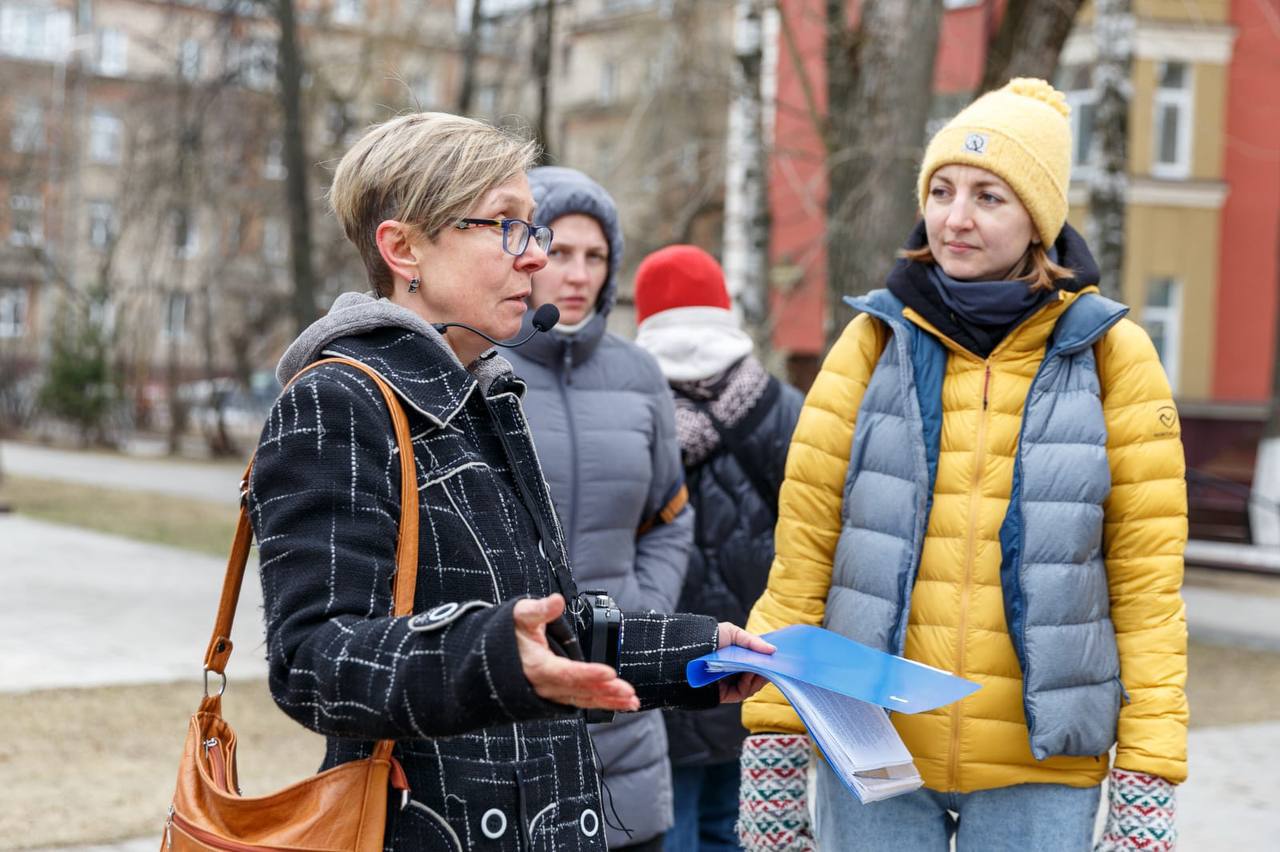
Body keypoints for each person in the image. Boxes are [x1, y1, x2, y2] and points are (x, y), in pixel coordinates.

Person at [247, 112, 772, 852]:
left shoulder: (487, 394)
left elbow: (548, 630)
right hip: (438, 829)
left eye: (533, 228)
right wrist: (494, 654)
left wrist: (693, 653)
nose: (537, 256)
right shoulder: (339, 400)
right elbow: (313, 662)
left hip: (550, 820)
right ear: (403, 249)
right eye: (507, 225)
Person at [736, 79, 1188, 852]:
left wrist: (1148, 775)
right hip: (874, 752)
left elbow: (1146, 588)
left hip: (1041, 768)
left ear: (1039, 220)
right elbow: (805, 556)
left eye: (988, 196)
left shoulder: (1112, 355)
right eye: (941, 190)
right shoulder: (872, 344)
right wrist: (774, 735)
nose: (955, 217)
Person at [503, 166, 693, 851]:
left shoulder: (640, 376)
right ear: (521, 251)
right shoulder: (471, 365)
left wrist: (647, 611)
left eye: (596, 256)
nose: (577, 275)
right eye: (558, 252)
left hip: (624, 700)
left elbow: (671, 516)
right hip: (506, 695)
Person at [629, 245, 803, 852]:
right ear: (724, 310)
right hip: (756, 662)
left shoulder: (629, 410)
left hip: (664, 660)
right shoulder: (781, 407)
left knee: (667, 830)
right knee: (735, 831)